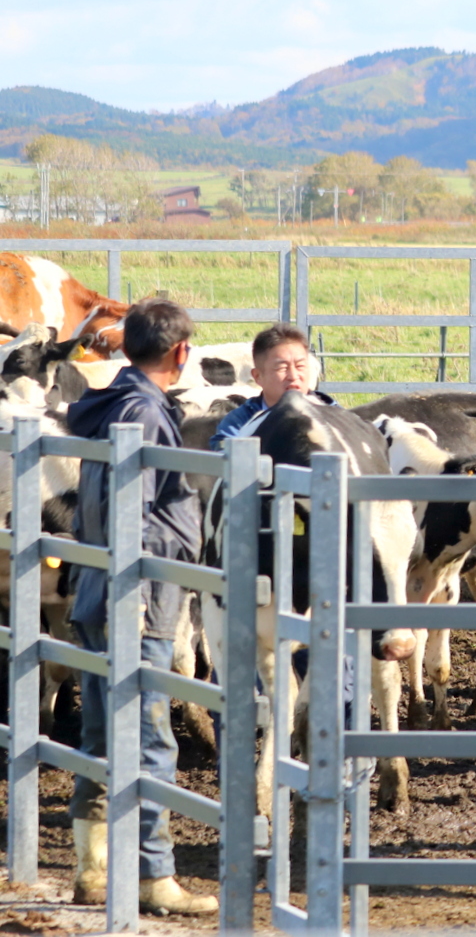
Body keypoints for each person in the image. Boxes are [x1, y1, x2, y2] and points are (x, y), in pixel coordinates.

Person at [66, 299, 218, 915]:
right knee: (150, 736)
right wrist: (187, 539)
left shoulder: (110, 404)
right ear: (182, 353)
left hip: (101, 589)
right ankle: (153, 875)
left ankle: (92, 867)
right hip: (140, 598)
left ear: (127, 348)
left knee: (103, 733)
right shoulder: (144, 412)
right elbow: (139, 516)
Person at [210, 322, 338, 449]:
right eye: (282, 368)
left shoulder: (336, 416)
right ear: (258, 377)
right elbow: (226, 458)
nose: (293, 376)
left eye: (300, 366)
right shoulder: (239, 423)